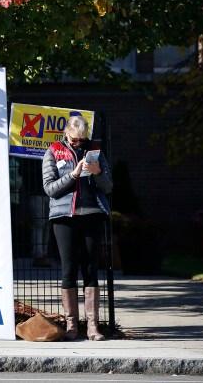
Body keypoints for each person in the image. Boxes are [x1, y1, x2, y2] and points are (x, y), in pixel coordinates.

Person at [41, 115, 113, 341]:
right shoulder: (53, 151)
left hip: (92, 215)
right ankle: (72, 325)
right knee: (68, 270)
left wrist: (97, 172)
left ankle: (92, 326)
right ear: (66, 133)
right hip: (64, 217)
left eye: (82, 140)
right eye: (74, 139)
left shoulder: (95, 151)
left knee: (91, 269)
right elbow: (50, 188)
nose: (78, 143)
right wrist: (73, 175)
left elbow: (108, 187)